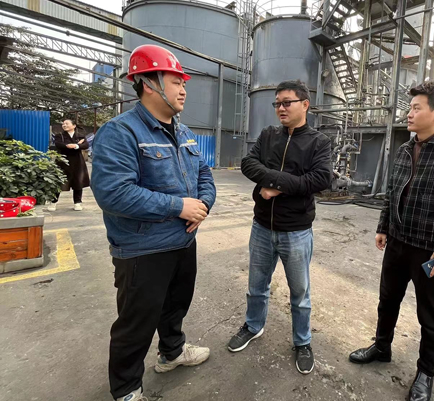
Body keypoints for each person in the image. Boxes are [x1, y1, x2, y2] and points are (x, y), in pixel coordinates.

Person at [91, 45, 216, 401]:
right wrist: (179, 206)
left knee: (175, 306)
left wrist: (202, 206)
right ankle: (127, 389)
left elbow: (204, 174)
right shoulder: (120, 132)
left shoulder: (183, 131)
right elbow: (114, 193)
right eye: (176, 82)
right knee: (137, 322)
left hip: (183, 241)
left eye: (183, 83)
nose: (184, 90)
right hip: (142, 249)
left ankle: (172, 352)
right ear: (148, 84)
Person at [348, 81, 434, 401]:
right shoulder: (405, 149)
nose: (409, 114)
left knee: (429, 314)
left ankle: (426, 373)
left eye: (416, 108)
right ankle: (382, 348)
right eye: (410, 108)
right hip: (397, 243)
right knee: (387, 301)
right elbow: (393, 191)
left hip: (431, 252)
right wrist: (384, 226)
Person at [227, 80, 332, 375]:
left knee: (300, 292)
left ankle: (302, 341)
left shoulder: (318, 142)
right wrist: (279, 181)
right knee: (256, 286)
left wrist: (277, 187)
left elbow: (320, 179)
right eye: (277, 104)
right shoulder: (268, 135)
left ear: (305, 104)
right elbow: (248, 164)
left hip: (296, 231)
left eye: (287, 102)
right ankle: (253, 326)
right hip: (262, 227)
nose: (280, 108)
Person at [49, 119, 89, 211]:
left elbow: (86, 145)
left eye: (67, 123)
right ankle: (53, 202)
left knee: (78, 182)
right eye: (63, 124)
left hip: (77, 161)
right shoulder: (60, 135)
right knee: (59, 181)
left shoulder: (80, 135)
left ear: (74, 125)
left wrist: (76, 146)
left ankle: (77, 202)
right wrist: (71, 145)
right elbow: (58, 144)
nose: (64, 125)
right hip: (63, 161)